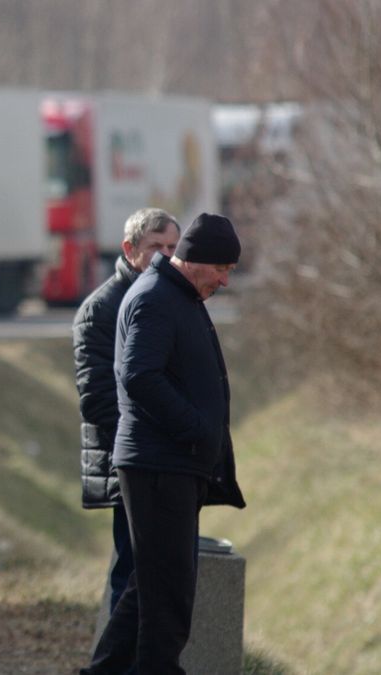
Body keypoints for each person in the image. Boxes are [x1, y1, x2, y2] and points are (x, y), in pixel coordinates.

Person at [81, 213, 247, 675]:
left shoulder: (180, 295)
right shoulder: (156, 298)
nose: (225, 280)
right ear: (197, 261)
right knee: (168, 600)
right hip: (158, 467)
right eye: (223, 269)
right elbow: (139, 376)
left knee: (149, 588)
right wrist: (194, 427)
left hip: (170, 466)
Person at [72, 207, 181, 668]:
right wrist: (149, 445)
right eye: (157, 247)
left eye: (174, 248)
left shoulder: (171, 300)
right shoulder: (102, 307)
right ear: (130, 250)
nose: (166, 257)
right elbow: (96, 399)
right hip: (130, 463)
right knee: (132, 573)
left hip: (165, 463)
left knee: (154, 575)